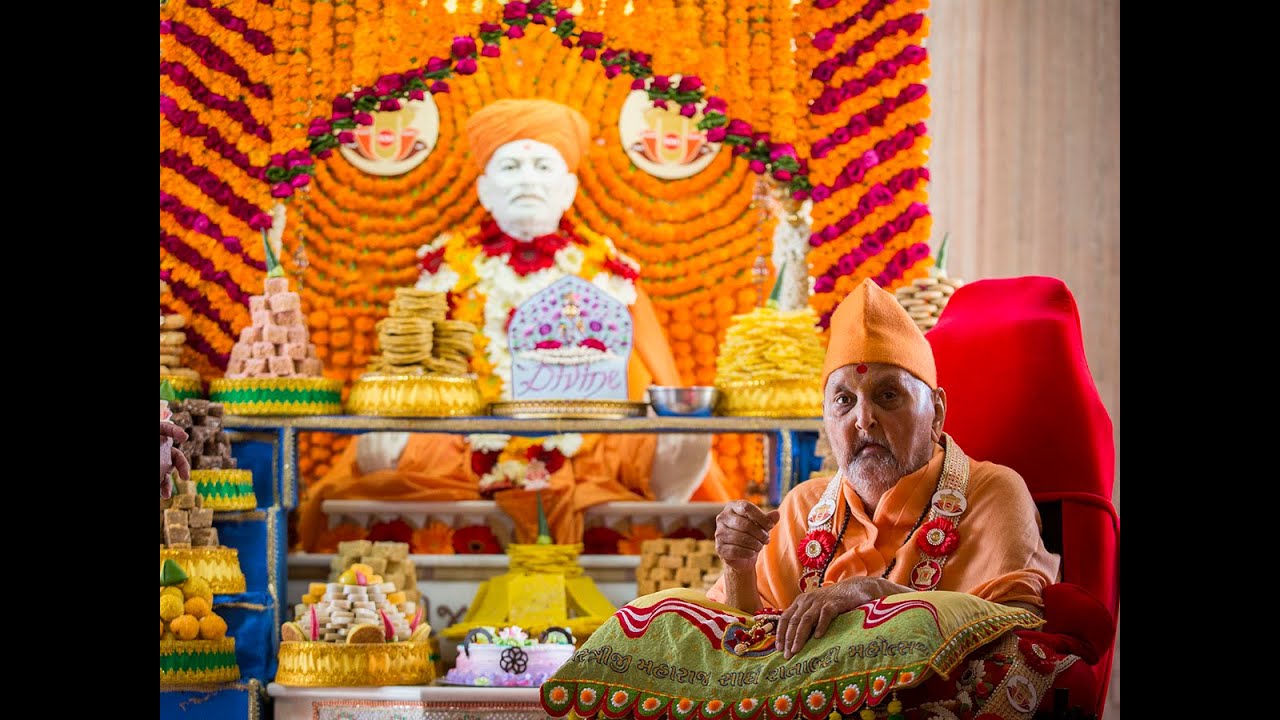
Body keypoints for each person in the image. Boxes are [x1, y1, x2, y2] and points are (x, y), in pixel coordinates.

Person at [298, 98, 729, 551]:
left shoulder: (609, 275)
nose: (527, 179)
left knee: (679, 436)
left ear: (568, 188)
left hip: (590, 438)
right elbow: (414, 369)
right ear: (484, 189)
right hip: (463, 440)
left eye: (542, 165)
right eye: (511, 166)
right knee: (387, 439)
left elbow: (650, 379)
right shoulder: (444, 272)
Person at [706, 278, 1059, 660]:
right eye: (844, 399)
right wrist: (740, 568)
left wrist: (876, 595)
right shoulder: (802, 506)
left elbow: (1017, 636)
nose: (863, 419)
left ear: (936, 412)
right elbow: (742, 645)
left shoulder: (992, 493)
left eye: (888, 395)